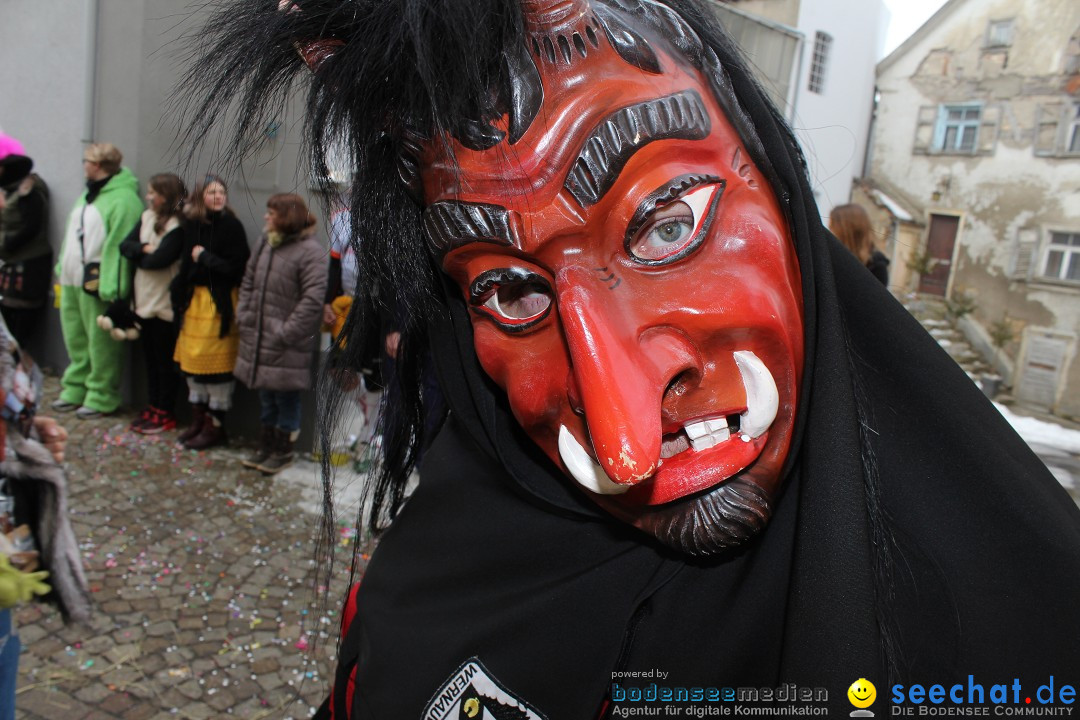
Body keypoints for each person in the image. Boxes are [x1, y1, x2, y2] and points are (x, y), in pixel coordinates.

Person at [184, 0, 1080, 716]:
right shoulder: (432, 575)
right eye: (513, 292)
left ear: (779, 187)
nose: (624, 444)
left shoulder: (1019, 650)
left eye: (666, 223)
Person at [234, 193, 327, 474]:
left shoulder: (310, 251)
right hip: (259, 336)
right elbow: (249, 279)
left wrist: (286, 332)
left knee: (285, 398)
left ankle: (282, 451)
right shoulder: (266, 242)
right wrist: (245, 315)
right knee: (266, 396)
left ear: (286, 217)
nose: (266, 217)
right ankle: (266, 446)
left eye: (272, 213)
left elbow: (312, 300)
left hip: (285, 342)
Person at [53, 143, 142, 419]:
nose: (83, 165)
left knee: (101, 343)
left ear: (98, 165)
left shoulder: (123, 199)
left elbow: (118, 245)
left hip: (97, 284)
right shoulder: (90, 194)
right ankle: (76, 386)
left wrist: (113, 286)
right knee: (76, 338)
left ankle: (102, 394)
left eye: (87, 161)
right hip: (72, 279)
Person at [171, 176, 249, 449]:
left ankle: (215, 426)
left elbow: (237, 268)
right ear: (200, 197)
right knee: (193, 364)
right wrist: (179, 295)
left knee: (216, 368)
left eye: (221, 192)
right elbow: (184, 264)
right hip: (196, 302)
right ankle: (198, 422)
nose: (218, 196)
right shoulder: (194, 225)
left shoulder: (232, 226)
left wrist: (205, 258)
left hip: (220, 303)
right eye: (211, 192)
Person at [118, 173, 187, 434]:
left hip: (163, 307)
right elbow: (124, 246)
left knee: (164, 362)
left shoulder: (177, 227)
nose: (148, 197)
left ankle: (165, 410)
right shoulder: (147, 217)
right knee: (149, 361)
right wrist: (143, 250)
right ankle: (153, 405)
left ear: (166, 197)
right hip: (143, 302)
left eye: (153, 193)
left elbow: (158, 260)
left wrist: (142, 252)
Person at [0, 154, 52, 348]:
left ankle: (20, 365)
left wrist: (7, 245)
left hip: (30, 264)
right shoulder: (10, 192)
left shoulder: (29, 193)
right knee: (7, 313)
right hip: (12, 261)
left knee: (22, 319)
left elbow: (31, 227)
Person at [829, 203, 889, 286]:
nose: (830, 233)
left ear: (846, 232)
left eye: (832, 227)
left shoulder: (876, 266)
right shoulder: (830, 257)